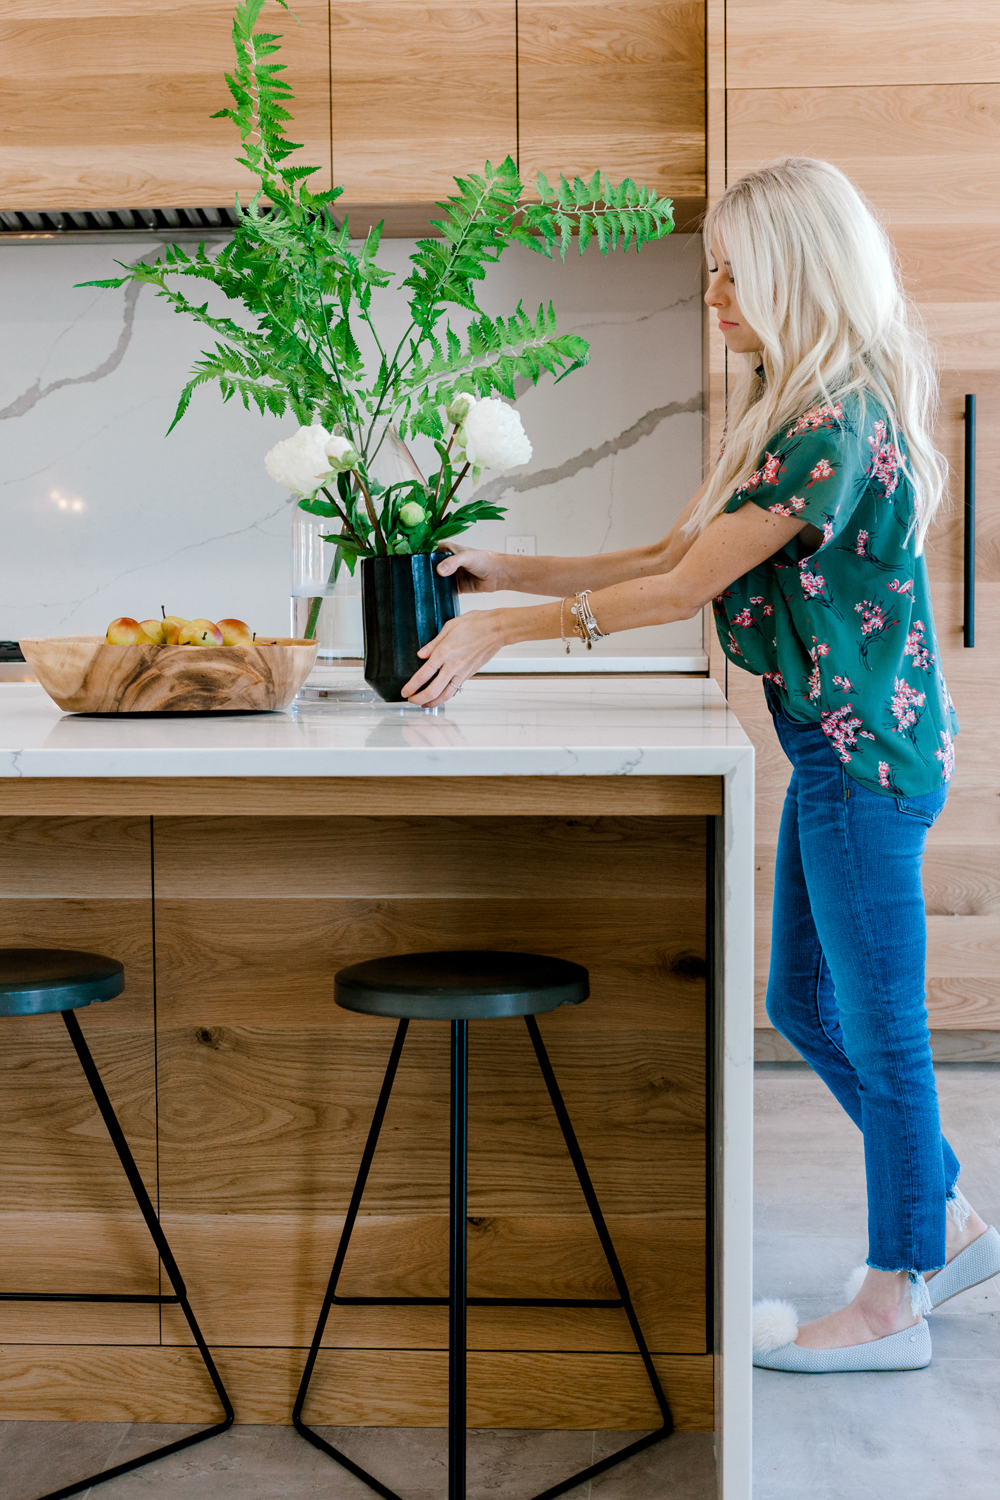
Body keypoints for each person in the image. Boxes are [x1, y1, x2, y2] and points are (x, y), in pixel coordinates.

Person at [400, 156, 1000, 1372]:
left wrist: (498, 637)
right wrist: (507, 569)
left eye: (732, 270)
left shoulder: (833, 427)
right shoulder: (794, 406)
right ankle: (945, 1219)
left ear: (793, 274)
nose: (713, 291)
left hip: (859, 767)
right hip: (844, 757)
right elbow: (675, 547)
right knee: (803, 1003)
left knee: (882, 1034)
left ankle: (894, 1298)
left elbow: (679, 592)